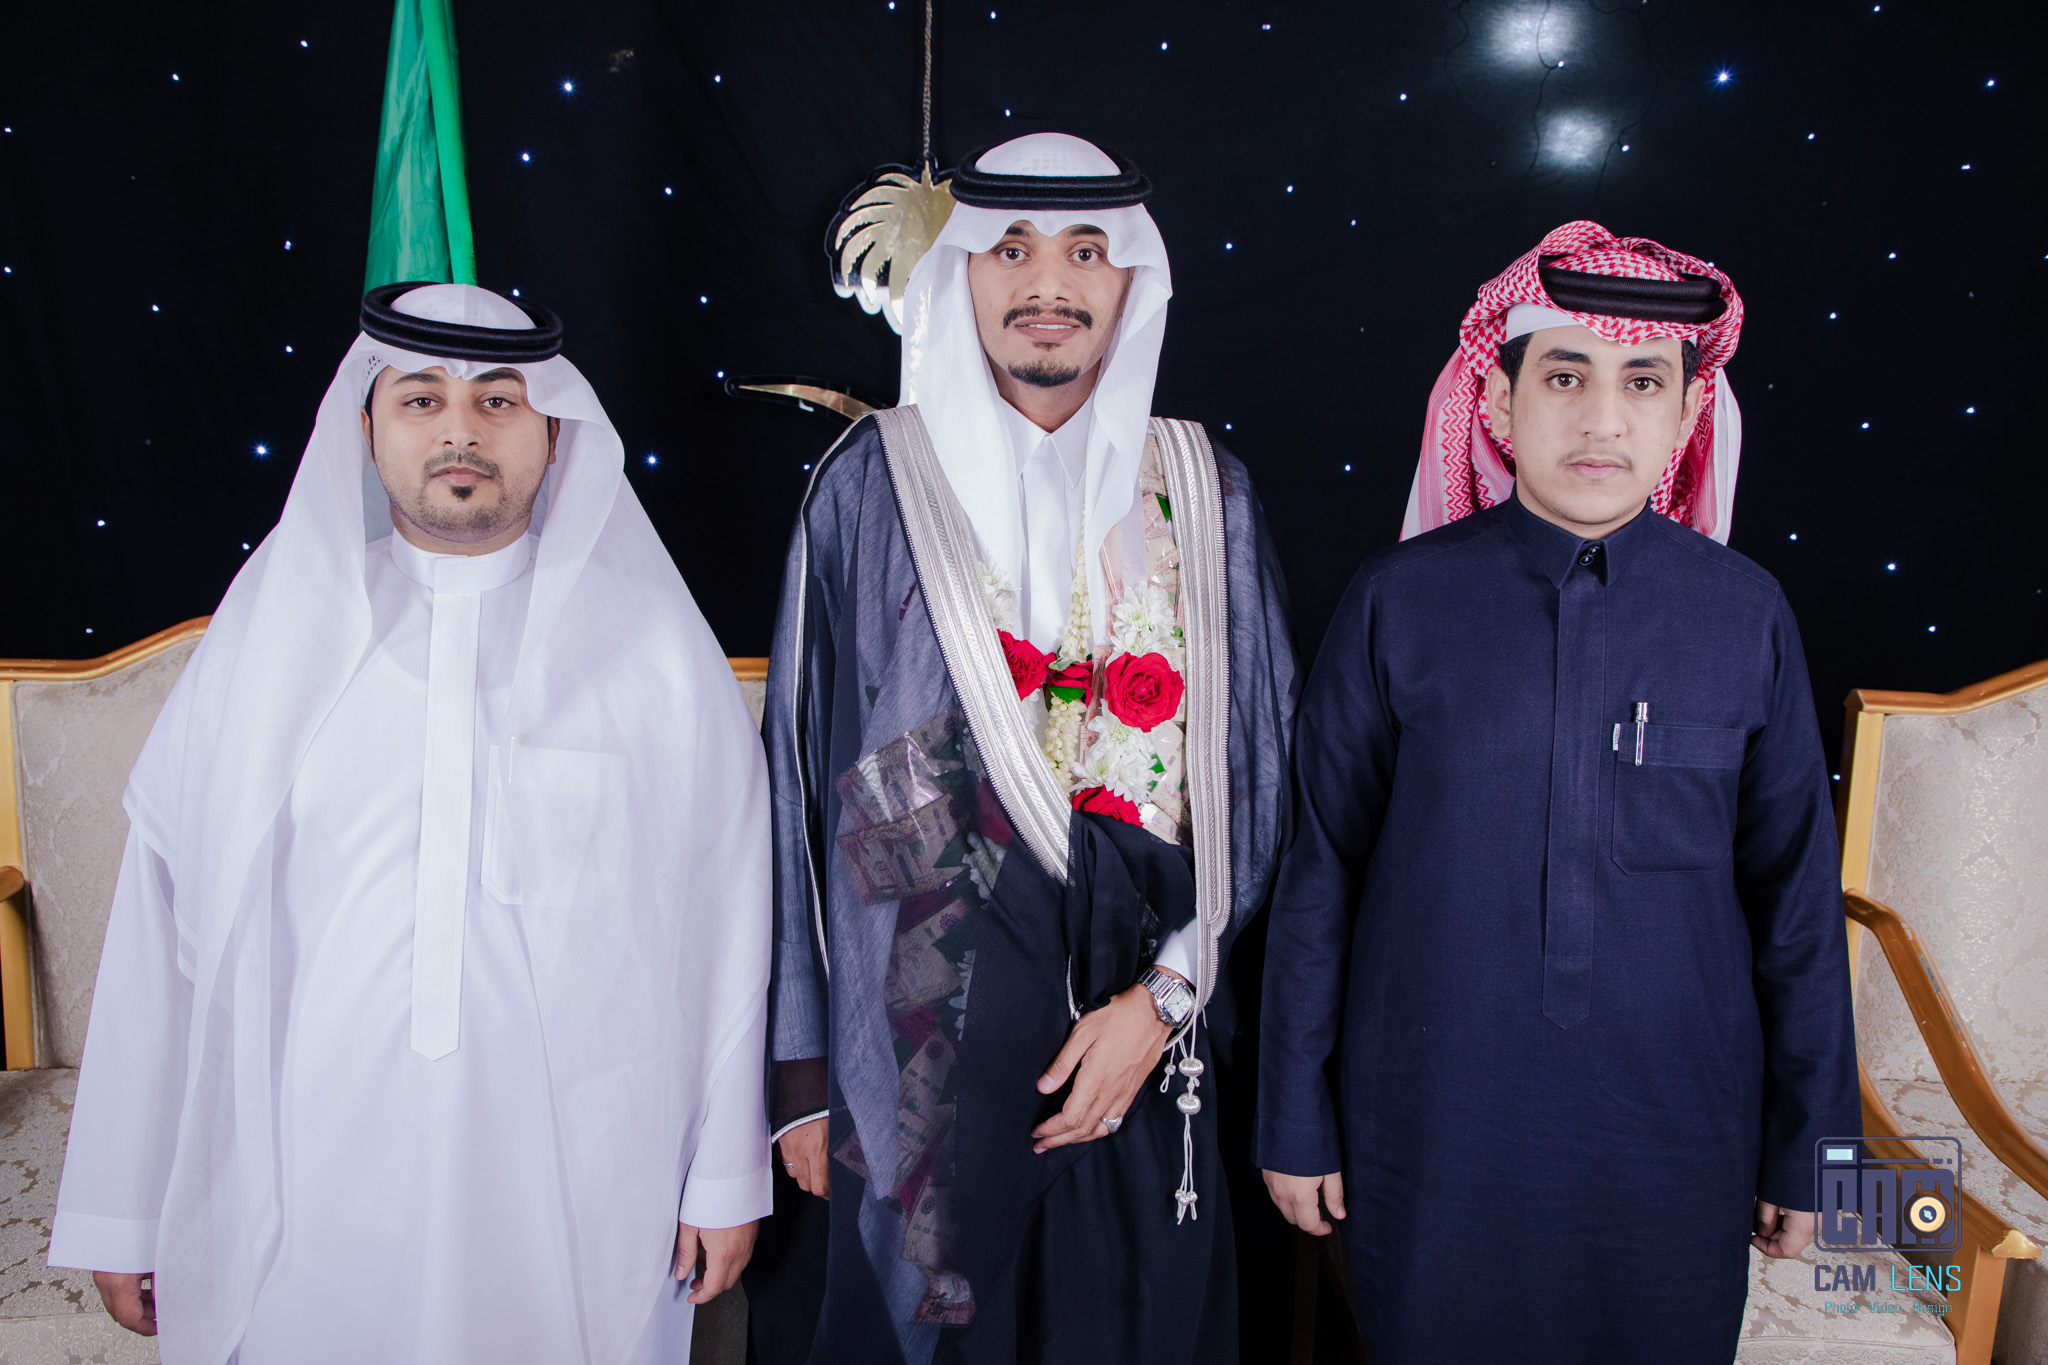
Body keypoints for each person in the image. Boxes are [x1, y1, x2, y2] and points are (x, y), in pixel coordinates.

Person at [47, 283, 772, 1365]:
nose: (459, 431)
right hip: (307, 1183)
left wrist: (723, 1173)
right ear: (367, 428)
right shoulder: (271, 641)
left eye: (498, 401)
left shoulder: (655, 653)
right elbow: (162, 930)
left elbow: (731, 925)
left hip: (579, 1189)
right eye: (421, 399)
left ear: (555, 434)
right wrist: (123, 1203)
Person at [1255, 221, 1859, 1364]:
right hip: (1432, 1131)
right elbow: (1318, 872)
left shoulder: (1744, 614)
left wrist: (1815, 1151)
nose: (1602, 420)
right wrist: (1292, 1116)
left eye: (1642, 383)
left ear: (1687, 411)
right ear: (1497, 399)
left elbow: (1795, 906)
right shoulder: (1395, 603)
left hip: (1678, 1140)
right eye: (1565, 377)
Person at [761, 132, 1297, 1364]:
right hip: (916, 1057)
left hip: (1135, 1041)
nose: (1045, 281)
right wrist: (800, 1076)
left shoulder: (1202, 488)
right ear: (959, 269)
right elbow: (793, 789)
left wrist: (1161, 1004)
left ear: (1130, 281)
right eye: (1007, 248)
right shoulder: (869, 483)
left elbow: (1260, 785)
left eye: (1084, 251)